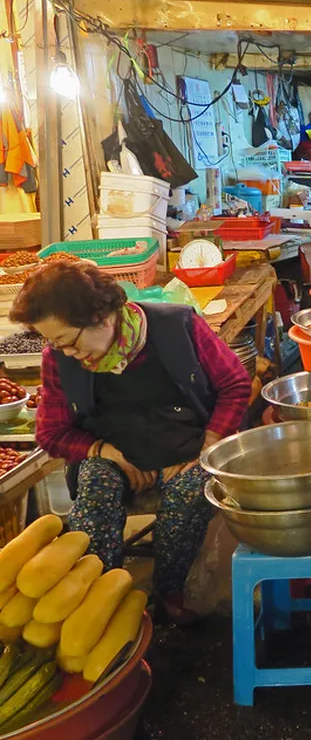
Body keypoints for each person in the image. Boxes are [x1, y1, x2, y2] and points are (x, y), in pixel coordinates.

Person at [10, 262, 251, 623]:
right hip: (115, 456)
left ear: (101, 317)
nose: (67, 352)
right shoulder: (58, 359)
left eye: (70, 341)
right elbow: (51, 433)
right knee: (94, 488)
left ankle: (171, 590)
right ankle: (99, 594)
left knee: (190, 494)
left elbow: (235, 384)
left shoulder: (178, 326)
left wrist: (209, 445)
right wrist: (106, 453)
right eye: (55, 343)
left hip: (187, 449)